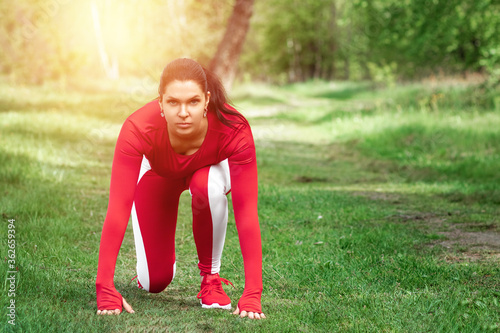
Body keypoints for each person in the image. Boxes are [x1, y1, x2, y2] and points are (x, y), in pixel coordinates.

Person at [95, 58, 265, 320]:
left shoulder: (234, 128)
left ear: (206, 100)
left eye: (193, 102)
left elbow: (247, 213)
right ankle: (154, 270)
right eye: (173, 102)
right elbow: (117, 209)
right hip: (160, 176)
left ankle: (211, 278)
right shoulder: (137, 128)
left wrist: (253, 293)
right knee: (154, 282)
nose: (183, 112)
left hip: (211, 175)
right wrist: (105, 287)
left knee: (205, 184)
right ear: (160, 102)